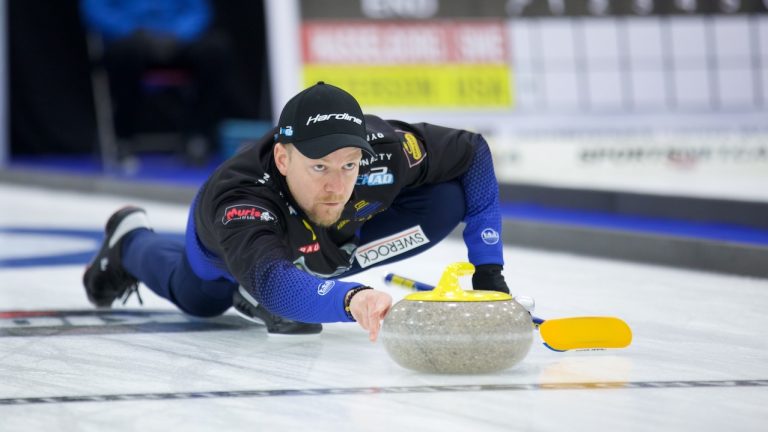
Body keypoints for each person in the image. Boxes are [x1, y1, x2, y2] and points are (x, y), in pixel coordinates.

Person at [83, 82, 509, 342]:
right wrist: (351, 299)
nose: (336, 184)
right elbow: (273, 284)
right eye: (319, 166)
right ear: (284, 159)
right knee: (200, 300)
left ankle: (313, 272)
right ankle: (131, 239)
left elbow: (473, 151)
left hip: (323, 240)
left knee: (446, 201)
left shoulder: (388, 151)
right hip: (232, 248)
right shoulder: (241, 201)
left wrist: (489, 271)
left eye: (349, 165)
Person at [80, 0, 247, 162]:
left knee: (215, 50)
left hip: (177, 41)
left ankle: (196, 135)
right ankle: (123, 137)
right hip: (132, 39)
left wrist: (178, 34)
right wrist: (135, 32)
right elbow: (95, 10)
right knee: (124, 55)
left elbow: (199, 10)